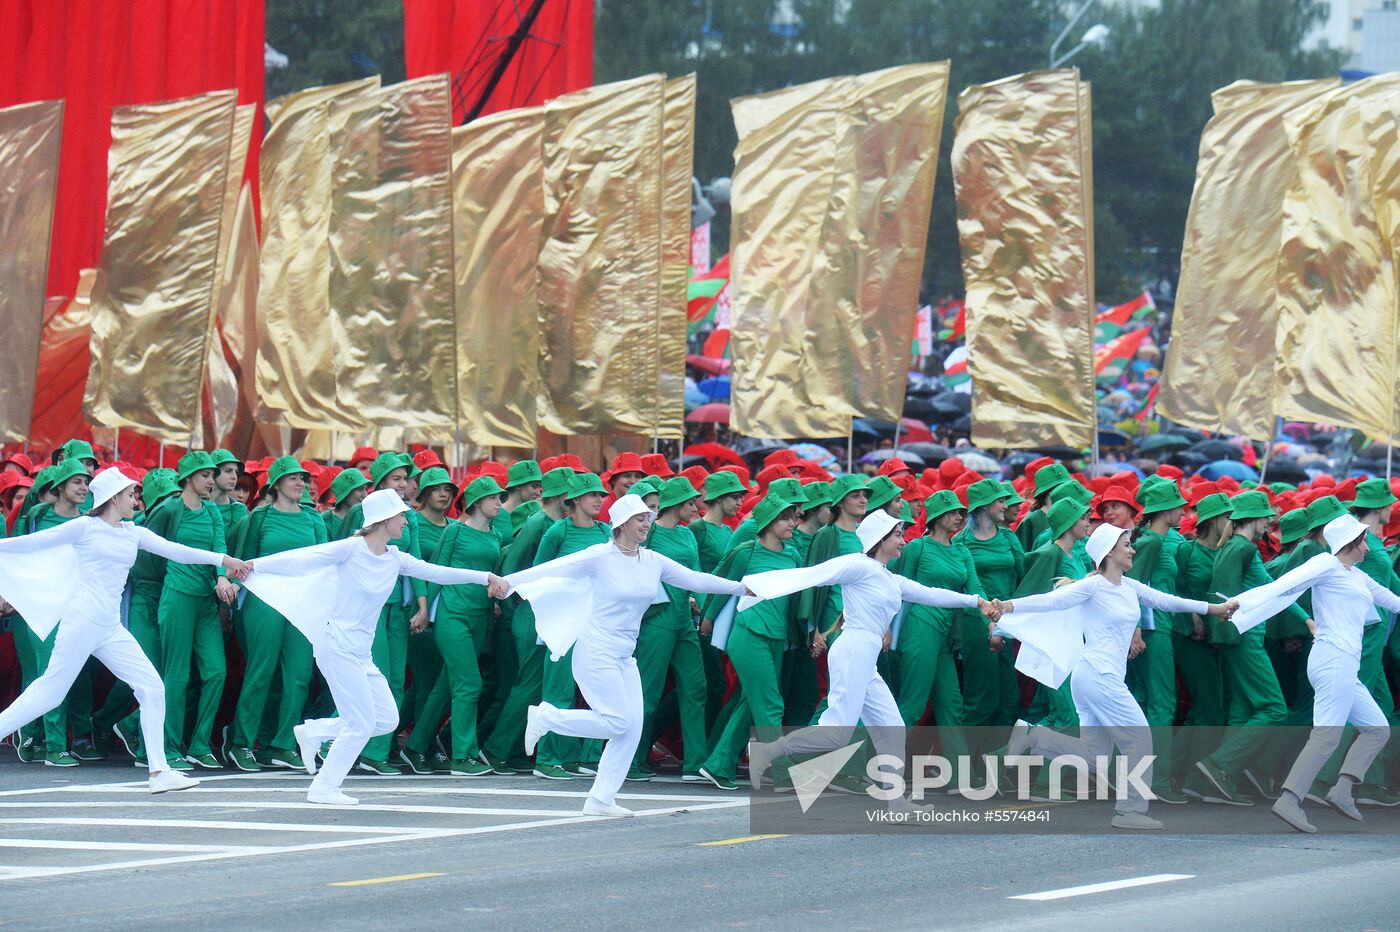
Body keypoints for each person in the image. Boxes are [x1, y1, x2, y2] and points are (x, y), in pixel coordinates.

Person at [241, 488, 505, 805]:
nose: (407, 521)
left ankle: (314, 732)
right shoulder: (350, 550)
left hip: (360, 652)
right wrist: (252, 565)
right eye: (401, 515)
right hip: (336, 644)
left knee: (386, 720)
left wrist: (486, 576)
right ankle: (324, 786)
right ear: (383, 520)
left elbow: (438, 572)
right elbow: (301, 559)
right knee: (361, 723)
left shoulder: (395, 558)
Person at [0, 467, 249, 793]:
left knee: (152, 687)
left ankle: (159, 772)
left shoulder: (134, 532)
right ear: (114, 497)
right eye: (130, 493)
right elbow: (29, 544)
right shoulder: (84, 527)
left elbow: (178, 551)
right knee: (50, 692)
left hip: (109, 627)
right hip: (82, 621)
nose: (135, 498)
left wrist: (223, 560)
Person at [503, 493, 749, 817]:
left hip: (624, 654)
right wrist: (507, 583)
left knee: (631, 727)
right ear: (620, 524)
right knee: (618, 722)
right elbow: (554, 568)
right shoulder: (599, 556)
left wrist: (740, 588)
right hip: (595, 650)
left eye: (648, 517)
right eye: (639, 518)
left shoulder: (652, 561)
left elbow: (695, 579)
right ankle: (547, 718)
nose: (646, 523)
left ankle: (601, 799)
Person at [741, 510, 997, 809]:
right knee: (837, 734)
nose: (904, 541)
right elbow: (816, 574)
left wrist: (975, 601)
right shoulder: (859, 565)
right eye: (898, 535)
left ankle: (895, 801)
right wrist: (759, 587)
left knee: (892, 727)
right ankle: (769, 751)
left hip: (865, 657)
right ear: (880, 539)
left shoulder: (890, 578)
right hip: (852, 650)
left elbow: (929, 593)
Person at [995, 523, 1235, 830]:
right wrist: (1009, 605)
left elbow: (1167, 601)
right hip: (1098, 676)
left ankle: (1034, 736)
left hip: (1097, 678)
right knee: (1139, 738)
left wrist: (1214, 609)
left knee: (1096, 757)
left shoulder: (1130, 587)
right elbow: (1051, 600)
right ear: (1109, 553)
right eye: (1126, 545)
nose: (1132, 549)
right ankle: (1130, 811)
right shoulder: (1092, 586)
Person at [1229, 514, 1400, 833]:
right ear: (1351, 542)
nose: (1368, 545)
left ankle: (1343, 789)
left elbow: (1394, 602)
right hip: (1332, 659)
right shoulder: (1327, 564)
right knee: (1327, 735)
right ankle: (1289, 800)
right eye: (1364, 539)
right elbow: (1284, 585)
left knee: (1377, 729)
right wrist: (1239, 605)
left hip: (1344, 665)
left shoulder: (1357, 576)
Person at [1187, 490, 1309, 806]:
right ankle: (1219, 765)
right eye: (1266, 515)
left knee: (1242, 709)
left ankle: (1220, 780)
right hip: (1245, 638)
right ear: (1253, 518)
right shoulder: (1242, 548)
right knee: (1274, 708)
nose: (1270, 520)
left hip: (1238, 638)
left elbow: (1271, 590)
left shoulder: (1237, 547)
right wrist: (1307, 620)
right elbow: (1229, 594)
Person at [226, 456, 328, 771]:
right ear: (277, 484)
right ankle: (241, 743)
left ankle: (281, 745)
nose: (300, 483)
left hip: (303, 603)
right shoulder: (258, 517)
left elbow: (324, 562)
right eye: (293, 478)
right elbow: (239, 560)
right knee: (261, 671)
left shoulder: (314, 519)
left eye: (303, 478)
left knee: (298, 675)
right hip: (265, 601)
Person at [696, 495, 804, 790]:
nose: (793, 523)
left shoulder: (793, 554)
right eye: (786, 518)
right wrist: (708, 618)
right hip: (748, 635)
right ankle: (781, 771)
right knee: (770, 703)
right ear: (769, 523)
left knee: (749, 703)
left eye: (793, 517)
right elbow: (721, 583)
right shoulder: (746, 551)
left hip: (777, 638)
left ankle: (717, 765)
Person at [401, 474, 505, 776]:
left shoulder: (496, 536)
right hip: (453, 615)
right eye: (493, 498)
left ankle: (415, 746)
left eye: (500, 497)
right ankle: (464, 756)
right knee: (470, 683)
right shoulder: (456, 532)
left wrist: (494, 601)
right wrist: (423, 611)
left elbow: (491, 574)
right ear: (475, 502)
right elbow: (436, 573)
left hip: (479, 617)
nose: (499, 503)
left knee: (448, 685)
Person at [142, 452, 236, 770]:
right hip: (176, 597)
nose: (212, 481)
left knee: (216, 671)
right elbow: (148, 549)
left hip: (205, 601)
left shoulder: (211, 511)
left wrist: (222, 576)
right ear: (189, 478)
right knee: (176, 675)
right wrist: (160, 585)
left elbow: (220, 548)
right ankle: (167, 747)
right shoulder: (170, 508)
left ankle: (198, 744)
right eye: (206, 475)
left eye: (213, 475)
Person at [479, 466, 575, 774]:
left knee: (534, 685)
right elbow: (511, 566)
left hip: (543, 612)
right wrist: (509, 610)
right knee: (529, 684)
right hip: (530, 613)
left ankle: (515, 750)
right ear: (561, 495)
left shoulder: (553, 522)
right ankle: (495, 750)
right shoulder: (539, 523)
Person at [631, 476, 711, 782]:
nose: (695, 507)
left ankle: (695, 763)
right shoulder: (649, 533)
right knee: (647, 693)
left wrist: (704, 609)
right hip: (656, 621)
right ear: (676, 504)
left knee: (696, 688)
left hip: (683, 621)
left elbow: (696, 575)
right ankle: (633, 759)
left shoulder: (688, 535)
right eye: (690, 502)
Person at [1124, 477, 1190, 803]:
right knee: (1162, 705)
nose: (1183, 510)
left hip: (1151, 629)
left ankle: (1133, 778)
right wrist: (1135, 630)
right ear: (1165, 510)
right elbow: (1131, 588)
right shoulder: (1151, 542)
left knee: (1145, 705)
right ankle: (1158, 782)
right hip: (1152, 630)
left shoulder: (1153, 539)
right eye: (1178, 505)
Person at [956, 480, 1024, 748]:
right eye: (1001, 501)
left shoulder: (1009, 537)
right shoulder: (961, 541)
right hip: (976, 625)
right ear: (984, 506)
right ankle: (959, 759)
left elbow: (1025, 577)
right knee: (982, 698)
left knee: (1009, 698)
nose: (1006, 506)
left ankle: (992, 760)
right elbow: (962, 583)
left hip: (1008, 624)